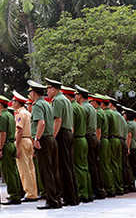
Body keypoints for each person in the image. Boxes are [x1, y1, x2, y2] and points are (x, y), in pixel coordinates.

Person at [28, 80, 61, 210]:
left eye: (30, 91)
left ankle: (51, 200)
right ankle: (56, 198)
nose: (30, 94)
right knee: (53, 170)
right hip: (51, 138)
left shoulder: (37, 105)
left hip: (43, 140)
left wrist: (36, 138)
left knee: (45, 171)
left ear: (34, 93)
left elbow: (41, 123)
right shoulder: (47, 104)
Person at [46, 78, 78, 206]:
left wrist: (53, 137)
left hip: (62, 133)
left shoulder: (58, 100)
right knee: (69, 166)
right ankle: (73, 197)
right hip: (68, 133)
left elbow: (57, 120)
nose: (47, 92)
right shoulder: (65, 99)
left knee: (63, 166)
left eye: (48, 89)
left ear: (53, 89)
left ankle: (69, 197)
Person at [75, 85, 104, 199]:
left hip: (87, 136)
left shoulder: (84, 108)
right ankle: (97, 190)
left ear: (80, 96)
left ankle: (92, 191)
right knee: (94, 165)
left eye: (77, 94)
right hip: (93, 137)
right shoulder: (91, 107)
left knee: (88, 165)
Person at [0, 94, 23, 205]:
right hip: (12, 144)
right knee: (14, 171)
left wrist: (0, 149)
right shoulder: (10, 116)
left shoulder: (3, 116)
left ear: (0, 105)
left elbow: (3, 133)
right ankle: (17, 193)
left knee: (8, 172)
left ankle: (14, 195)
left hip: (6, 146)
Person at [64, 86, 91, 203]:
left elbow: (72, 127)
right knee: (84, 167)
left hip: (77, 140)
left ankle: (82, 193)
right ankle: (88, 192)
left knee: (78, 167)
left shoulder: (72, 108)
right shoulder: (80, 107)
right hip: (83, 138)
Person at [11, 91, 38, 202]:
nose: (12, 103)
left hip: (22, 141)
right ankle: (34, 192)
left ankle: (29, 193)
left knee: (24, 169)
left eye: (13, 101)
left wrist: (16, 147)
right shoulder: (28, 113)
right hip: (29, 140)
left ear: (17, 103)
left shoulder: (20, 114)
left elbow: (19, 131)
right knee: (31, 168)